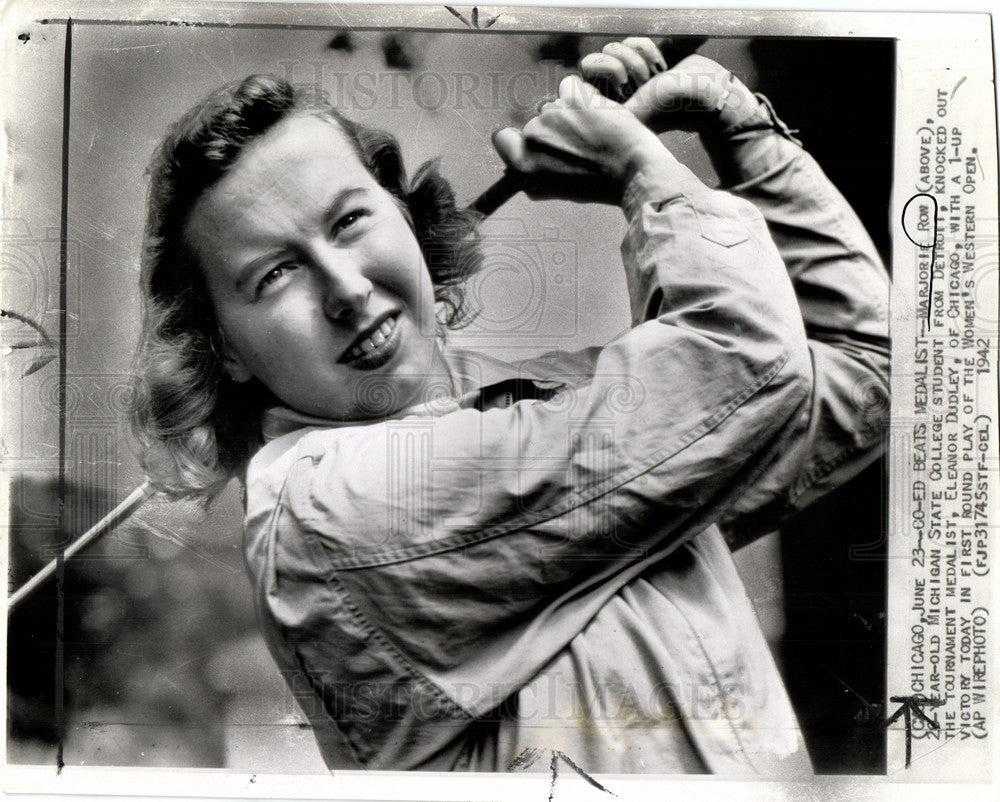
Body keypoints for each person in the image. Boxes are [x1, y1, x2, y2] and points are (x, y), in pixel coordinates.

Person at [130, 40, 889, 774]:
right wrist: (635, 164)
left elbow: (861, 376)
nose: (347, 288)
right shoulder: (326, 507)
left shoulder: (535, 422)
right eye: (275, 274)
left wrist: (731, 121)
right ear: (224, 350)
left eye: (351, 221)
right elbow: (746, 365)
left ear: (405, 216)